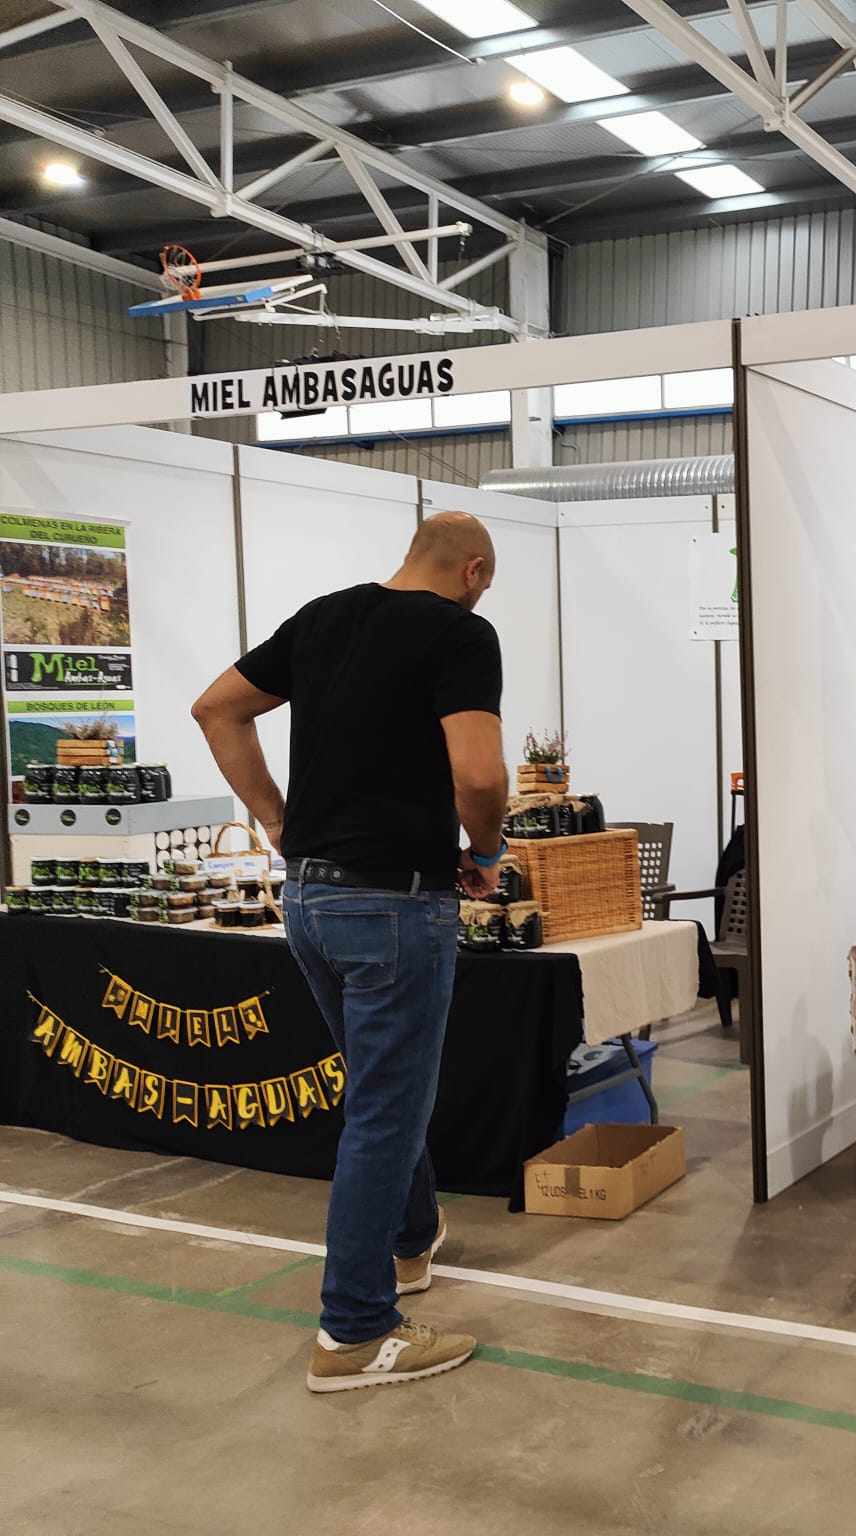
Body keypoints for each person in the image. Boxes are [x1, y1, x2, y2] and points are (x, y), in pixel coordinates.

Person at [192, 512, 509, 1394]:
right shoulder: (461, 633)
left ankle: (411, 1245)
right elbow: (480, 777)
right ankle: (356, 1331)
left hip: (310, 899)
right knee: (384, 1113)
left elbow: (217, 708)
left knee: (380, 1092)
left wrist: (278, 820)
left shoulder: (324, 616)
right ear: (473, 569)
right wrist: (485, 853)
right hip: (395, 905)